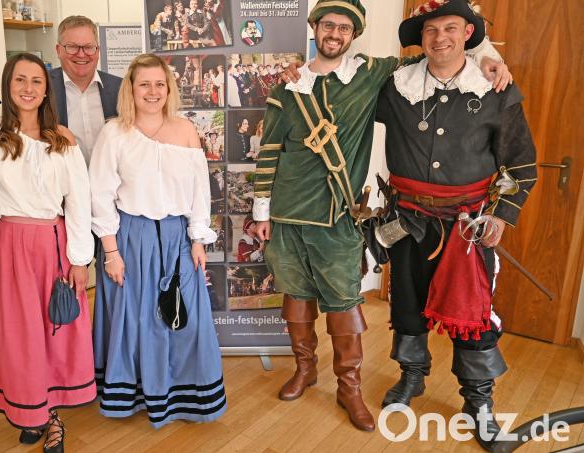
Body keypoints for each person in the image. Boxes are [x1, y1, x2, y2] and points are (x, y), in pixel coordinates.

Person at [251, 0, 511, 431]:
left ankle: (348, 386)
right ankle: (305, 369)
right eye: (328, 25)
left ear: (355, 35)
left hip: (339, 218)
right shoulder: (288, 86)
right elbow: (270, 151)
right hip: (287, 216)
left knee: (345, 304)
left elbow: (442, 53)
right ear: (314, 27)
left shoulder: (373, 75)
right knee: (296, 299)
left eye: (345, 28)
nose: (335, 34)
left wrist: (489, 58)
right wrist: (263, 211)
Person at [374, 0, 537, 448]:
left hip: (469, 227)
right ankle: (412, 376)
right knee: (406, 304)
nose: (439, 38)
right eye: (430, 30)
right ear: (420, 37)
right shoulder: (395, 86)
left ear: (469, 33)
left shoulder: (494, 87)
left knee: (474, 315)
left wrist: (502, 215)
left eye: (451, 28)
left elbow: (521, 164)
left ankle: (479, 401)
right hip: (407, 220)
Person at [89, 53, 227, 428]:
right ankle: (137, 395)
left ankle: (182, 395)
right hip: (131, 237)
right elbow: (100, 194)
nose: (152, 92)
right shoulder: (114, 132)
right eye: (144, 84)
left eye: (159, 84)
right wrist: (111, 251)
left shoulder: (185, 129)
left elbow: (200, 188)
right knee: (135, 317)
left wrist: (198, 238)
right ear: (130, 89)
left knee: (182, 316)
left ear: (169, 89)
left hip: (177, 237)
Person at [0, 53, 95, 453]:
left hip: (53, 244)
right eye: (20, 80)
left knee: (53, 331)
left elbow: (79, 200)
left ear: (47, 89)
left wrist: (80, 259)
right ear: (8, 86)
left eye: (37, 82)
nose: (28, 88)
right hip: (9, 245)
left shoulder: (63, 140)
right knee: (19, 334)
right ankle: (29, 408)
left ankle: (52, 415)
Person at [49, 16, 122, 165]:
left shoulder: (119, 87)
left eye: (88, 47)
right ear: (58, 50)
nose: (81, 54)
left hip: (110, 184)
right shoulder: (42, 87)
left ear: (98, 51)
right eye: (72, 46)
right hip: (62, 185)